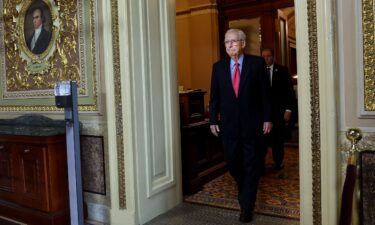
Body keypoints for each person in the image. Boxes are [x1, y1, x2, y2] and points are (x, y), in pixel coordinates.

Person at [209, 28, 272, 223]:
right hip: (228, 126)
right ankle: (244, 189)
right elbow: (214, 98)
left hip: (253, 126)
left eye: (234, 41)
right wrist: (212, 120)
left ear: (243, 44)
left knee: (252, 166)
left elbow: (265, 95)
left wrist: (268, 118)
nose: (230, 45)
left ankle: (247, 206)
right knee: (232, 163)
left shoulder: (256, 63)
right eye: (227, 42)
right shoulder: (218, 67)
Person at [261, 48, 296, 172]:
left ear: (273, 57)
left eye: (268, 56)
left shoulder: (282, 70)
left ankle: (278, 162)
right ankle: (261, 165)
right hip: (262, 113)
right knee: (262, 141)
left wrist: (288, 109)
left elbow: (289, 92)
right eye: (263, 56)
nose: (266, 59)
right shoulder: (257, 71)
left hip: (278, 112)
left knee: (277, 140)